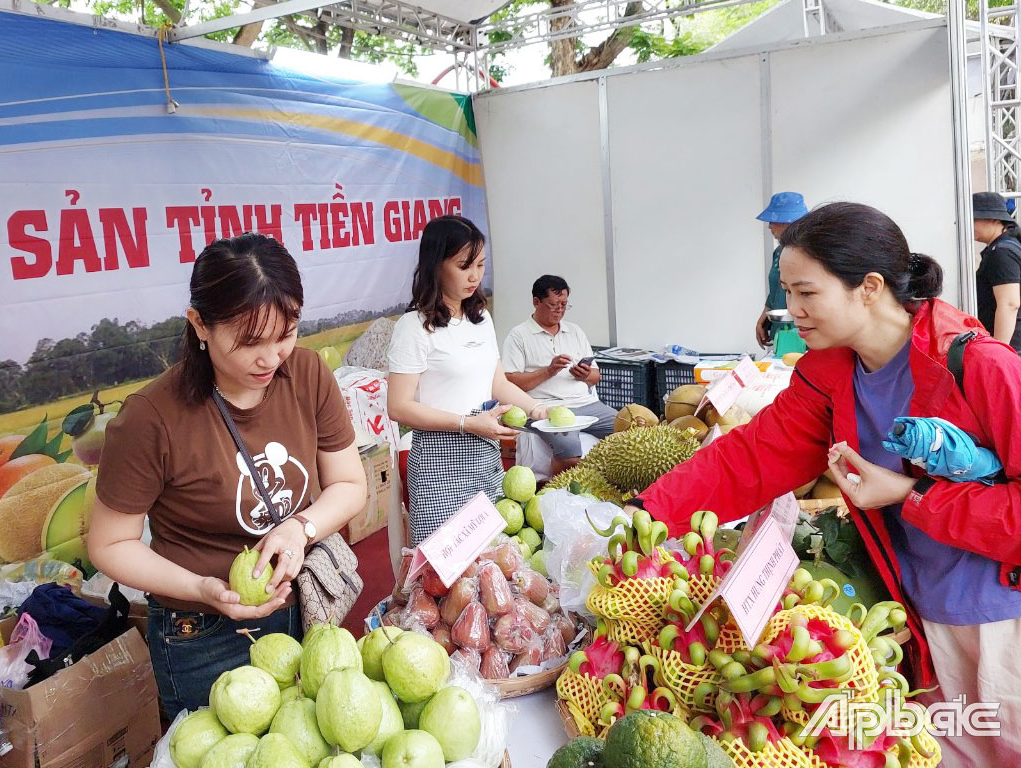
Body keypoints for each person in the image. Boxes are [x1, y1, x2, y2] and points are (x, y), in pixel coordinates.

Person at [626, 202, 1021, 766]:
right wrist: (647, 511)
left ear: (870, 287)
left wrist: (911, 496)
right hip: (919, 617)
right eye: (787, 293)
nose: (792, 311)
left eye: (806, 293)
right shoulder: (832, 374)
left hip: (1001, 622)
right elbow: (752, 457)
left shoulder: (981, 366)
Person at [86, 232, 366, 722]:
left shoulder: (308, 375)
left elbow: (349, 484)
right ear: (200, 324)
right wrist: (200, 588)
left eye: (287, 333)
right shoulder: (151, 418)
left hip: (301, 607)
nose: (272, 358)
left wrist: (301, 529)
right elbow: (110, 545)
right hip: (201, 636)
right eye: (251, 341)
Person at [387, 215, 548, 544]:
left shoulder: (481, 319)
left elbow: (497, 383)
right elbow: (398, 407)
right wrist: (466, 423)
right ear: (436, 265)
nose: (475, 276)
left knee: (492, 566)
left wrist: (537, 409)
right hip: (437, 465)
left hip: (485, 456)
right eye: (464, 265)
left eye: (480, 264)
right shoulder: (414, 327)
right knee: (443, 576)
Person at [502, 275, 617, 467]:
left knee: (630, 427)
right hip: (546, 408)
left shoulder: (575, 331)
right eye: (554, 304)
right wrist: (548, 371)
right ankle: (558, 494)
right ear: (536, 302)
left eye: (564, 304)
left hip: (587, 403)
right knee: (570, 450)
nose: (560, 310)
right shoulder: (519, 335)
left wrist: (585, 374)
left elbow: (596, 376)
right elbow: (510, 382)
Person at [754, 191, 809, 347]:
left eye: (773, 220)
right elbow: (775, 289)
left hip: (801, 332)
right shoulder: (779, 252)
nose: (769, 226)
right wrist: (764, 316)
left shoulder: (811, 253)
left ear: (789, 222)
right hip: (780, 328)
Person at [972, 191, 1021, 350]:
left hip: (1013, 347)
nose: (970, 225)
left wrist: (999, 350)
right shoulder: (1006, 246)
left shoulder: (1001, 252)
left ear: (994, 220)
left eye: (975, 219)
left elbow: (1009, 303)